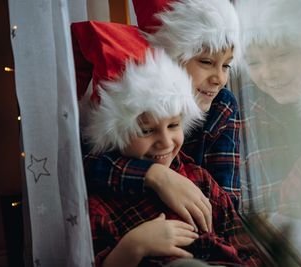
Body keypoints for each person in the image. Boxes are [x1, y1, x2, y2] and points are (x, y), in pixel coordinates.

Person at [72, 21, 264, 267]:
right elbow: (87, 161)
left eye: (174, 126)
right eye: (147, 130)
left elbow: (237, 234)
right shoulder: (101, 205)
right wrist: (135, 244)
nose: (219, 79)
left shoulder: (201, 177)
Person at [80, 0, 242, 236]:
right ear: (171, 57)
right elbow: (87, 163)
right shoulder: (129, 103)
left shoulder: (223, 106)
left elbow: (227, 205)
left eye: (226, 66)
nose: (220, 78)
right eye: (206, 62)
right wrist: (156, 175)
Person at [235, 0, 301, 221]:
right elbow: (276, 215)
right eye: (254, 63)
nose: (268, 74)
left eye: (282, 56)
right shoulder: (252, 107)